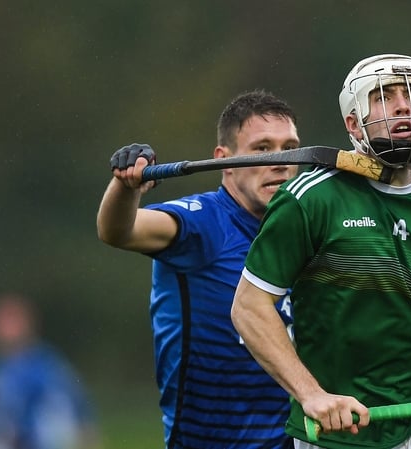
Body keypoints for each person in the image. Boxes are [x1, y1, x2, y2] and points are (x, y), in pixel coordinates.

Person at [231, 54, 411, 449]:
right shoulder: (309, 201)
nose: (404, 105)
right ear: (353, 123)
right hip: (337, 423)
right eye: (385, 97)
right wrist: (311, 394)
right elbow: (249, 307)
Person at [96, 89, 300, 449]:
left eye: (289, 147)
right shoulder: (201, 224)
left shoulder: (304, 229)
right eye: (262, 148)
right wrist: (125, 187)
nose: (280, 161)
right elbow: (117, 231)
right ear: (223, 160)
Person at [0, 293, 100, 449]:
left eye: (13, 320)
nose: (9, 328)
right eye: (4, 321)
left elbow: (78, 410)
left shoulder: (47, 366)